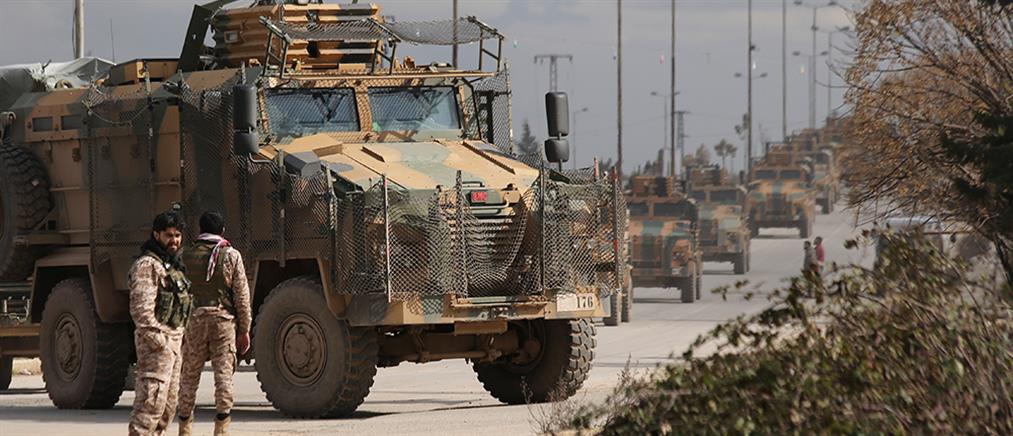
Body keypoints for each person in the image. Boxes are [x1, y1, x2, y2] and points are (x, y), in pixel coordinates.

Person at [176, 212, 251, 436]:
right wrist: (244, 330)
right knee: (224, 376)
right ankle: (221, 429)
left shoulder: (184, 255)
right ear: (223, 230)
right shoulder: (231, 255)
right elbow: (242, 296)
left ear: (200, 230)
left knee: (189, 376)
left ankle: (185, 428)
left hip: (194, 321)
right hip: (223, 322)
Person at [128, 211, 193, 436]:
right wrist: (161, 344)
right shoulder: (147, 265)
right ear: (156, 235)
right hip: (156, 347)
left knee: (167, 407)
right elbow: (141, 312)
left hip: (174, 344)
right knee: (150, 407)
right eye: (168, 235)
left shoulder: (171, 265)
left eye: (177, 235)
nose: (174, 240)